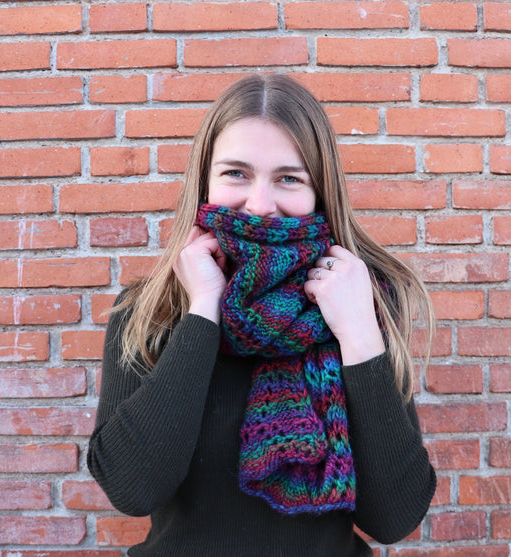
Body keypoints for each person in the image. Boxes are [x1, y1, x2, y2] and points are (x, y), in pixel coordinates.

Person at [88, 73, 437, 556]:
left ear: (320, 192)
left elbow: (393, 517)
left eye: (289, 178)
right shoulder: (147, 312)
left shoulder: (359, 304)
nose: (260, 205)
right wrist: (203, 309)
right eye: (237, 173)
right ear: (205, 181)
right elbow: (132, 489)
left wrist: (358, 332)